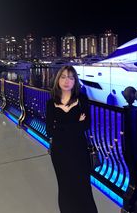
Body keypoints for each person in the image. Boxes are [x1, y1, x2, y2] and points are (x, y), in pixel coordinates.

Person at [45, 65, 98, 213]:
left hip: (79, 151)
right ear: (58, 80)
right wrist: (75, 124)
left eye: (70, 77)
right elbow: (50, 131)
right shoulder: (51, 103)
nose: (66, 81)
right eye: (63, 77)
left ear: (75, 81)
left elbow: (86, 125)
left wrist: (61, 127)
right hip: (59, 153)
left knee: (83, 187)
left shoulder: (81, 99)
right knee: (65, 187)